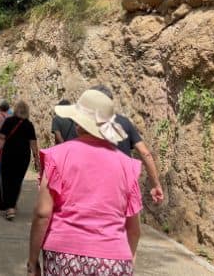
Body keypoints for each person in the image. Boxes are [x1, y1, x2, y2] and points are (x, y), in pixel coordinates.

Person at [27, 89, 142, 276]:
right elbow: (134, 229)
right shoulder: (127, 166)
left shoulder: (58, 156)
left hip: (65, 256)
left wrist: (32, 261)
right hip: (114, 260)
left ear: (78, 124)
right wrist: (125, 260)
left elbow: (42, 213)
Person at [91, 84, 164, 204]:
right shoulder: (124, 122)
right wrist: (156, 184)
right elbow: (145, 153)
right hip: (124, 185)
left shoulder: (86, 126)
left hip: (97, 188)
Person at [0, 100, 40, 221]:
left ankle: (9, 207)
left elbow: (1, 136)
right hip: (23, 156)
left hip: (9, 154)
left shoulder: (9, 121)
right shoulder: (29, 124)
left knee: (7, 179)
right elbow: (33, 143)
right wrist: (36, 159)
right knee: (17, 180)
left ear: (16, 110)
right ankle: (13, 204)